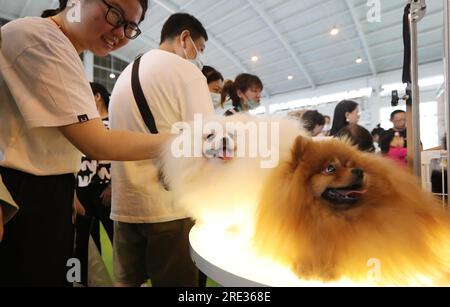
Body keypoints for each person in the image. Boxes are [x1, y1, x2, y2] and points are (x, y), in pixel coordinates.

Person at [0, 0, 171, 287]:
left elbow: (48, 141)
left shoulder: (64, 51)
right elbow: (97, 142)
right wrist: (174, 142)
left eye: (130, 26)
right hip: (20, 193)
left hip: (50, 190)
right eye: (115, 14)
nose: (120, 32)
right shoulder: (38, 36)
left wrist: (69, 193)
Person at [109, 12, 213, 287]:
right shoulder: (187, 72)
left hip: (125, 206)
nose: (198, 57)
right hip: (169, 210)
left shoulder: (125, 74)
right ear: (184, 38)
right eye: (199, 49)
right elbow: (208, 140)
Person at [74, 82, 114, 286]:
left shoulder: (114, 121)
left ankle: (131, 280)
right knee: (85, 239)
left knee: (116, 235)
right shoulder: (83, 122)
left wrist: (112, 186)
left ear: (97, 96)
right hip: (81, 187)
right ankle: (85, 280)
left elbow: (120, 156)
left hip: (105, 187)